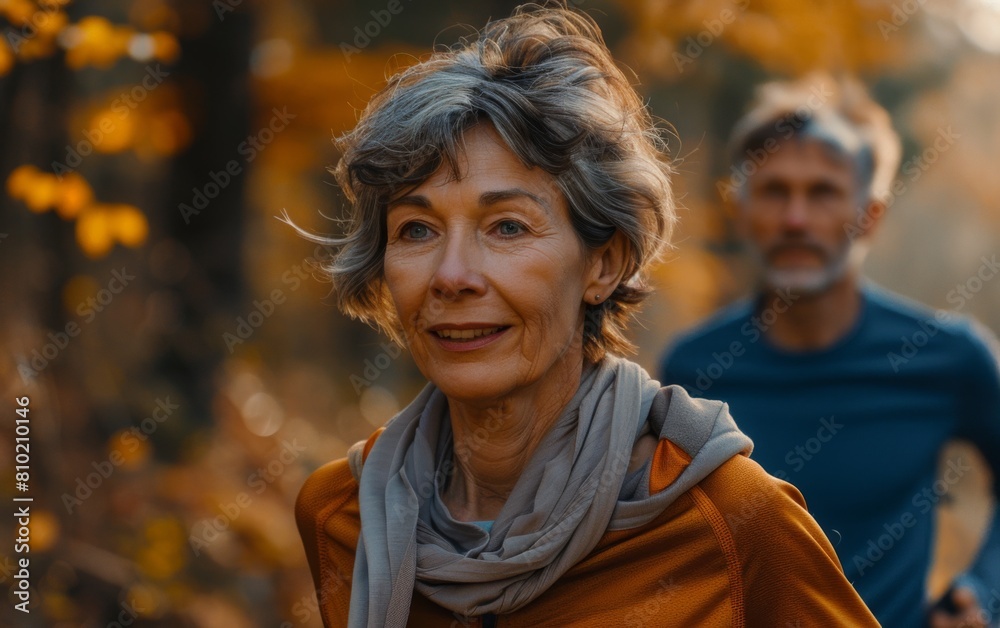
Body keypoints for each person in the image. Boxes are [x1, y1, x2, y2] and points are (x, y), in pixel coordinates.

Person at [293, 5, 879, 627]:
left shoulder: (731, 519)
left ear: (603, 264)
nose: (451, 275)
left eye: (507, 226)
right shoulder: (342, 514)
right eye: (416, 229)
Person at [660, 74, 1000, 628]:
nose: (796, 219)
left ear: (870, 214)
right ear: (741, 211)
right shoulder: (692, 370)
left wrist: (984, 593)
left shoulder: (950, 359)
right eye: (774, 191)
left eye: (822, 192)